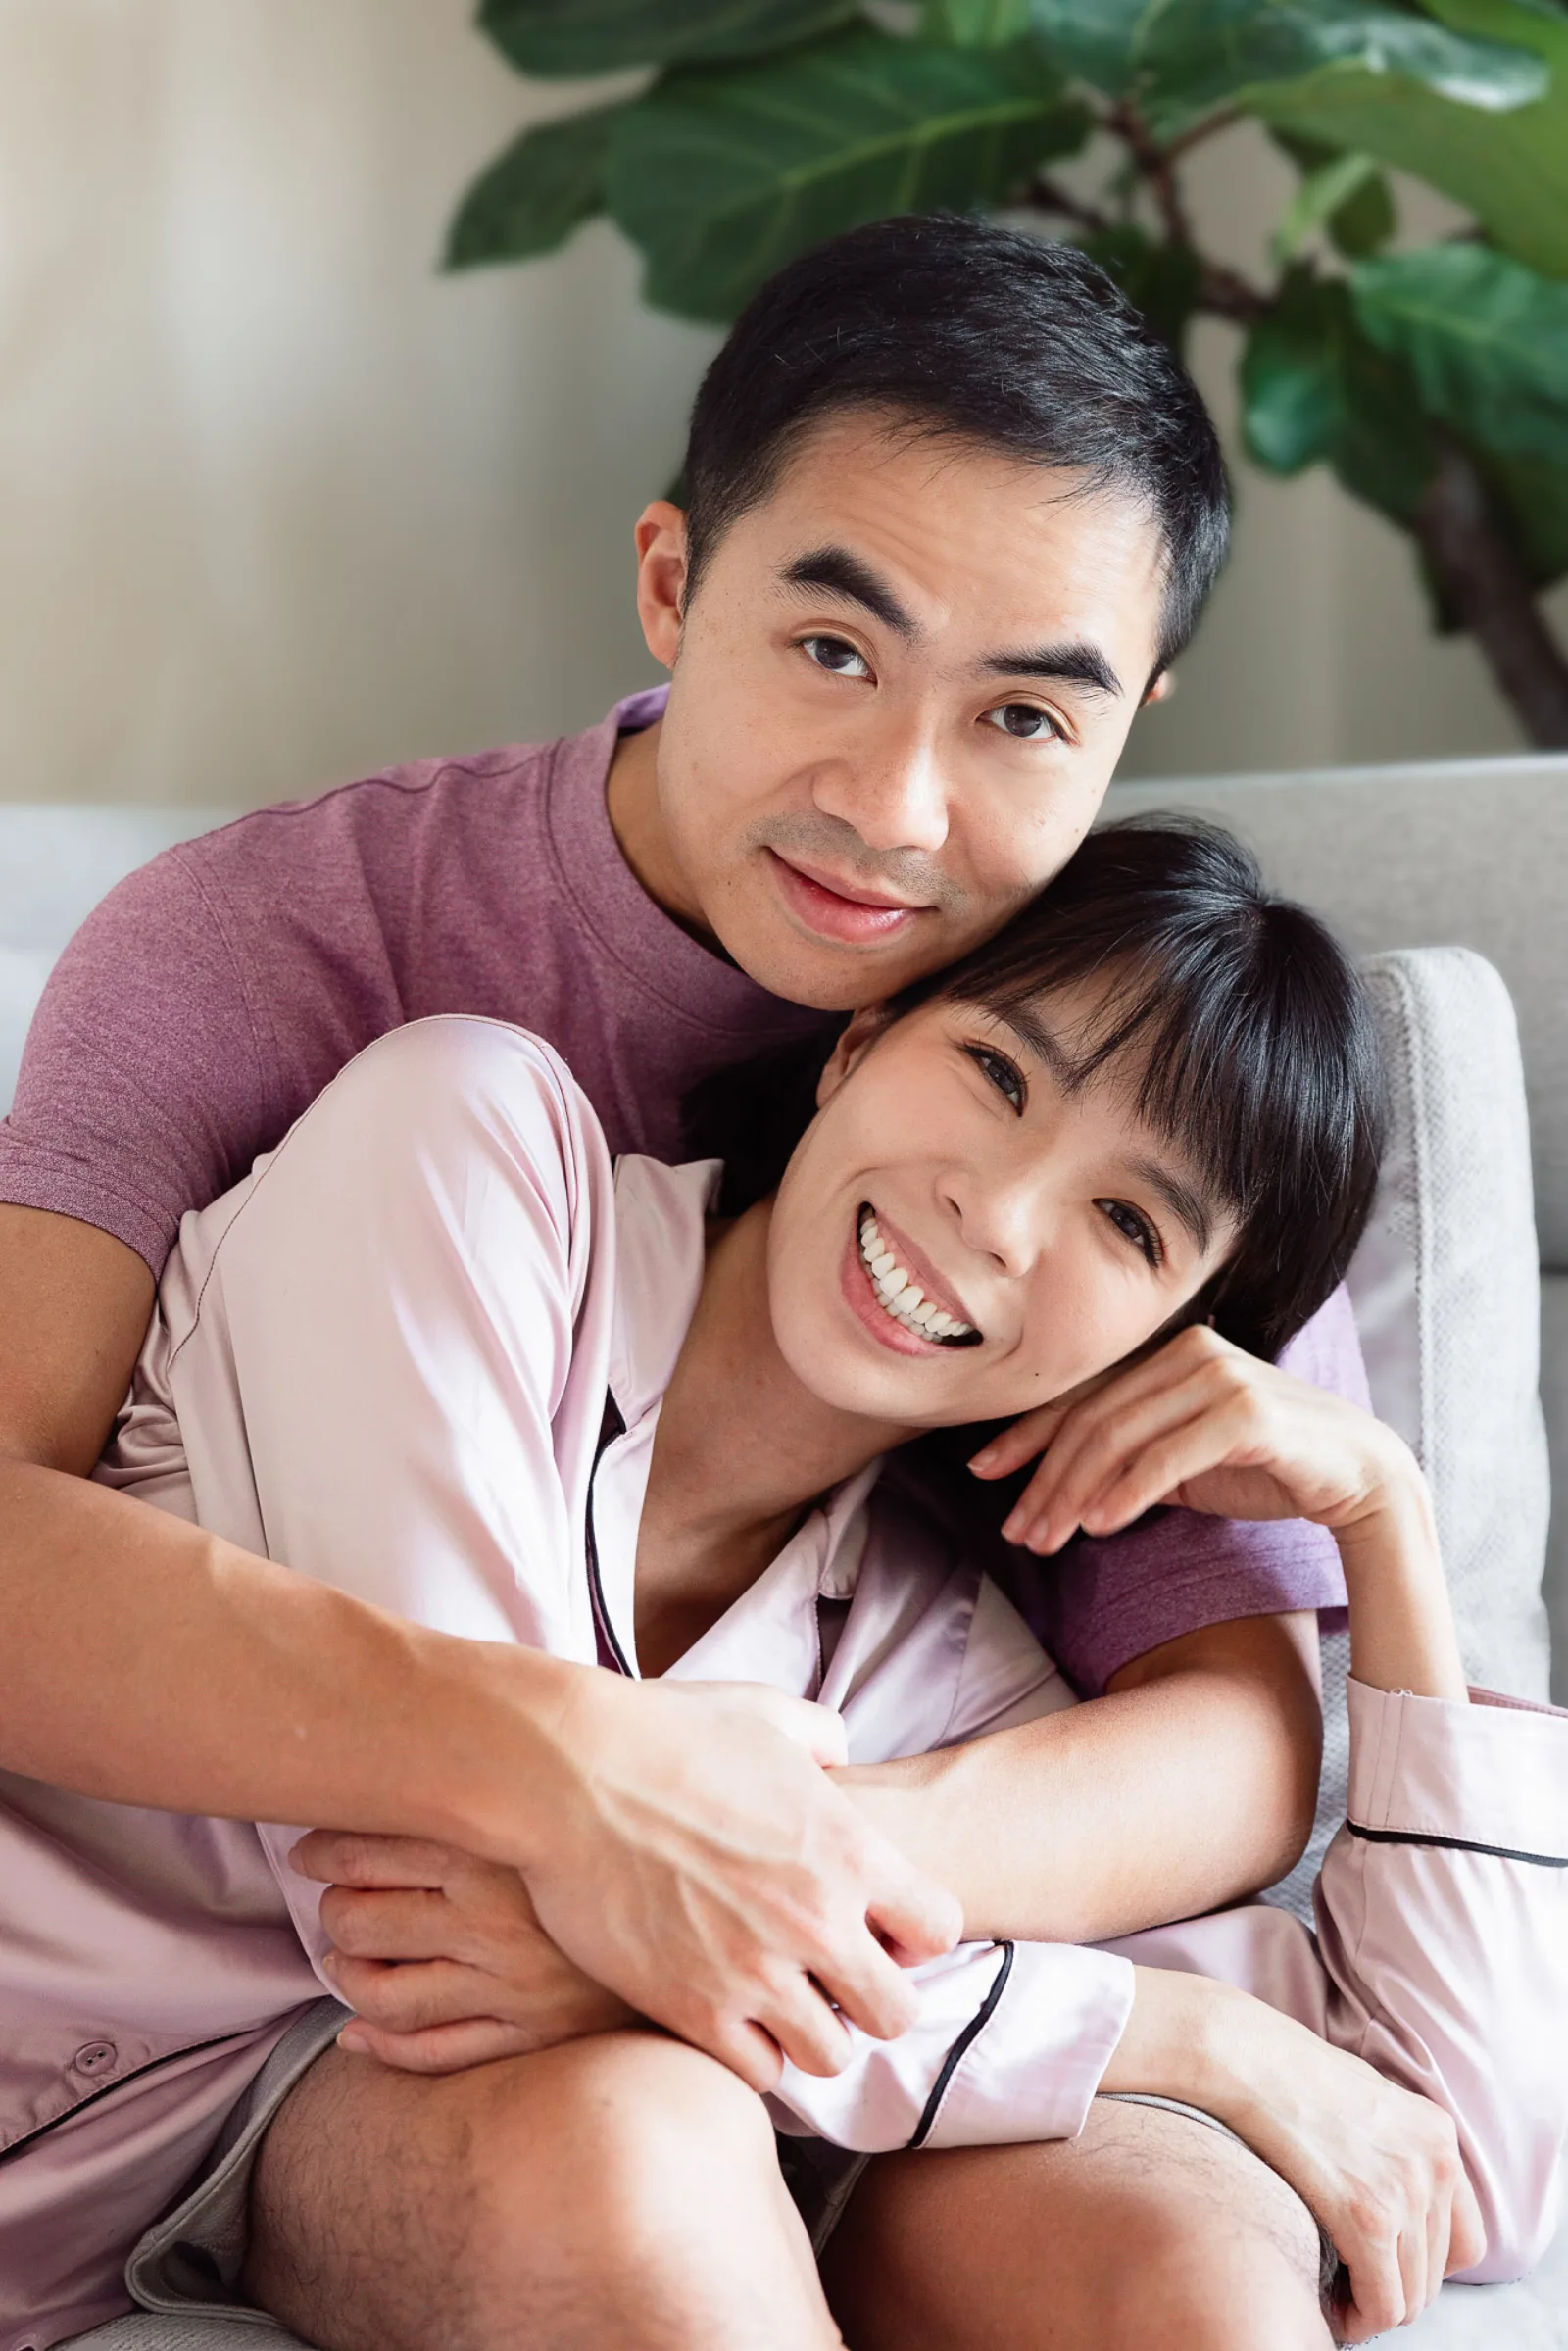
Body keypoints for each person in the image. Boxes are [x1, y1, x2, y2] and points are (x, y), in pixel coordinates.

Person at [0, 219, 1365, 2341]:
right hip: (233, 2008)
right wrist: (578, 1785)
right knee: (626, 2151)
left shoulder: (1131, 1076)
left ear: (1126, 722)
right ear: (670, 584)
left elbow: (1231, 1741)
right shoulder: (273, 949)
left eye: (1021, 711)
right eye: (831, 650)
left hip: (790, 1979)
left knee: (1178, 2268)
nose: (894, 807)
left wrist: (731, 1877)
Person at [24, 822, 1568, 2351]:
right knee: (649, 2142)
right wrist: (1192, 2037)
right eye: (999, 1074)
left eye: (1126, 1221)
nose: (1003, 1212)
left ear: (1165, 1344)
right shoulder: (465, 1145)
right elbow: (453, 1873)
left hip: (302, 2125)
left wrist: (1387, 1518)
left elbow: (1458, 2160)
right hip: (53, 2079)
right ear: (860, 1040)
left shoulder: (928, 1658)